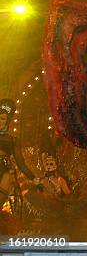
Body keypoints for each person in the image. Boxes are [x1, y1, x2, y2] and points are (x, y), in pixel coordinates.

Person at [0, 98, 39, 233]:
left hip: (3, 172)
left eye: (3, 119)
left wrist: (33, 178)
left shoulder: (12, 140)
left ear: (8, 121)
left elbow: (20, 161)